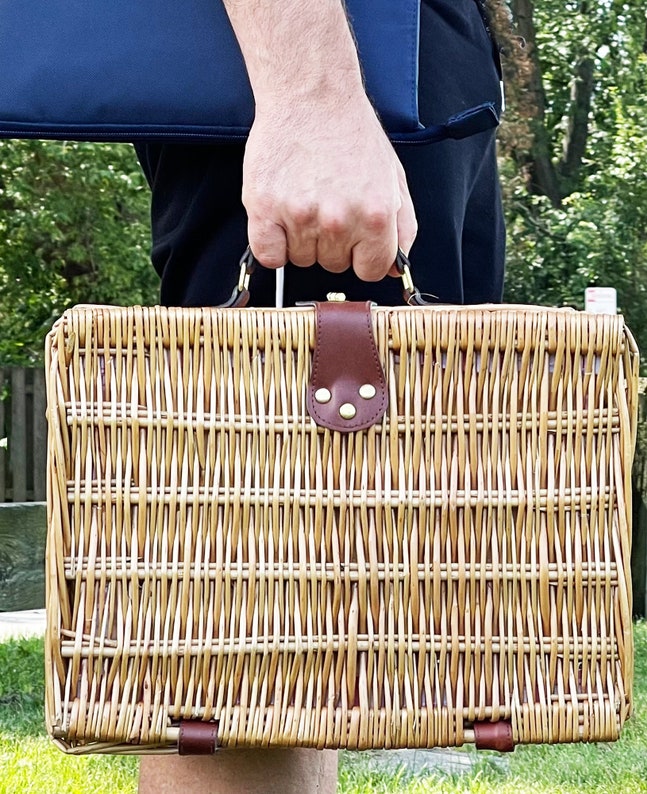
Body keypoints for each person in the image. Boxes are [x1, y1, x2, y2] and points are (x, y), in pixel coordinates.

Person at [136, 0, 504, 791]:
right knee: (238, 634)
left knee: (303, 606)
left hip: (414, 61)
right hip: (324, 52)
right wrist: (310, 93)